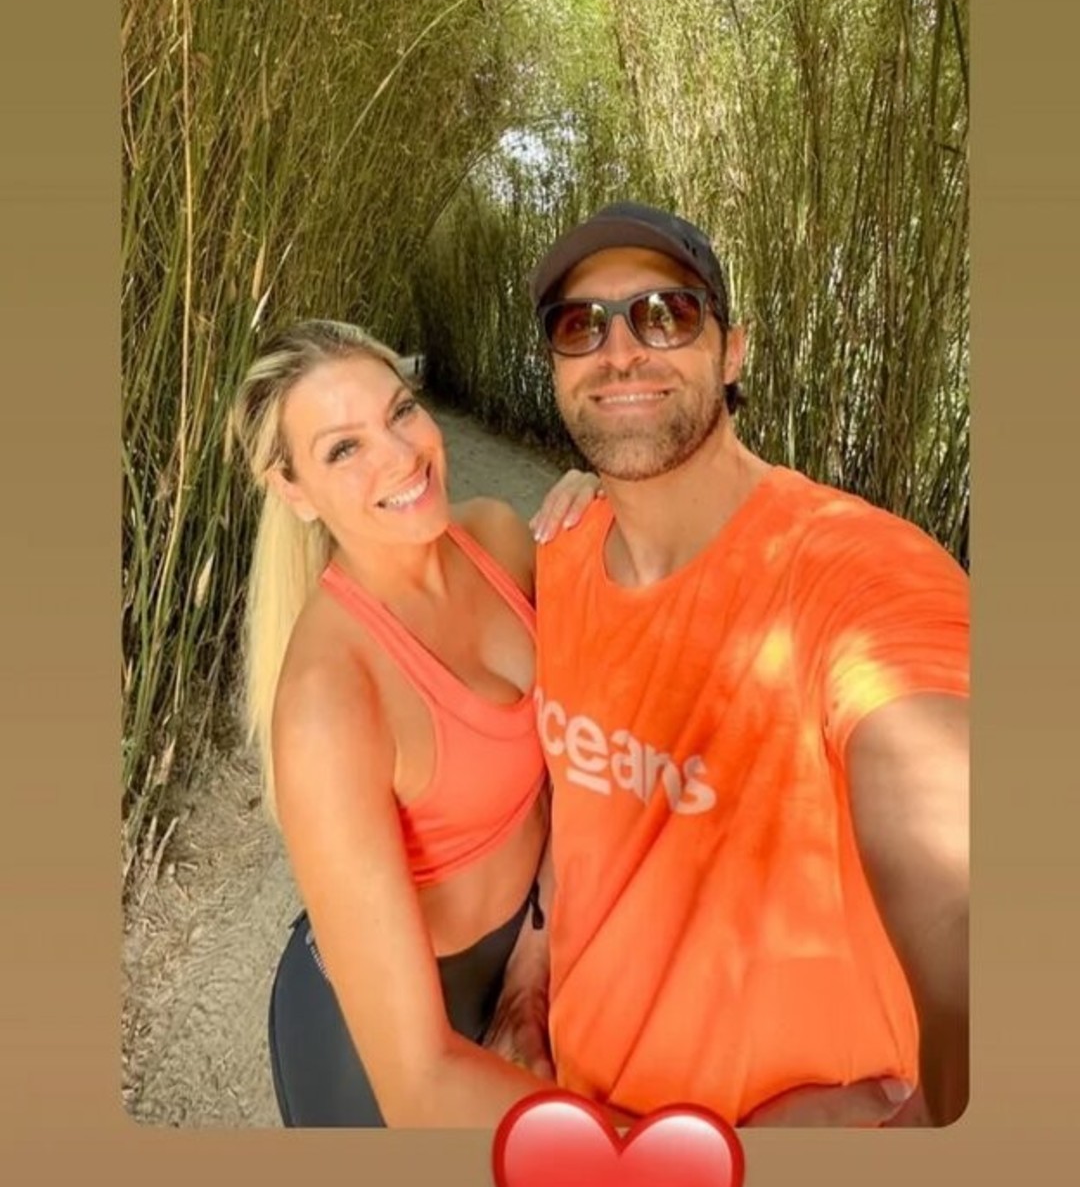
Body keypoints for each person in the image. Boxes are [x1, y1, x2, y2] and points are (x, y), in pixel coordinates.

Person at [491, 201, 969, 1129]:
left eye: (664, 314)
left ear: (733, 351)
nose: (620, 351)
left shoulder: (861, 573)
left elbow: (965, 913)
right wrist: (526, 980)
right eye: (581, 326)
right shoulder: (559, 556)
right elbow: (581, 808)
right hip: (583, 1131)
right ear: (555, 368)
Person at [230, 319, 598, 1127]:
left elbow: (584, 752)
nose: (400, 456)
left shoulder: (499, 537)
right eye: (343, 449)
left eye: (400, 410)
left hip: (530, 953)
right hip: (394, 1036)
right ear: (293, 489)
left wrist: (603, 510)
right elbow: (419, 1082)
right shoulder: (330, 699)